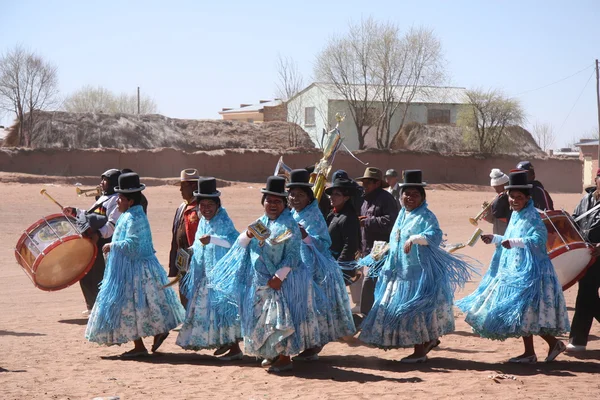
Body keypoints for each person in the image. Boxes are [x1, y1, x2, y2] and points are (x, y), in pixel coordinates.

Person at [358, 170, 474, 363]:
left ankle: (419, 352)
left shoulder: (426, 216)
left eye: (415, 194)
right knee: (398, 310)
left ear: (422, 197)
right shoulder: (402, 215)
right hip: (399, 272)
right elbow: (396, 239)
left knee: (413, 312)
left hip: (417, 275)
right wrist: (383, 251)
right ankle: (428, 341)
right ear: (401, 195)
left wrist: (416, 238)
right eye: (406, 194)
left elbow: (435, 236)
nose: (409, 197)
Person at [209, 176, 321, 373]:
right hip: (261, 283)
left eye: (277, 201)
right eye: (269, 200)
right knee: (266, 320)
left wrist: (279, 276)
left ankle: (285, 358)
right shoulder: (260, 222)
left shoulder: (290, 225)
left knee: (281, 321)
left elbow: (293, 256)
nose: (272, 204)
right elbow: (240, 244)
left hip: (285, 282)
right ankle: (273, 353)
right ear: (263, 203)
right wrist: (248, 235)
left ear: (284, 204)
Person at [457, 171, 569, 364]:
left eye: (519, 197)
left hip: (533, 272)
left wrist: (514, 242)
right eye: (512, 197)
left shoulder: (533, 216)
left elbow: (538, 240)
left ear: (527, 198)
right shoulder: (516, 216)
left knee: (526, 311)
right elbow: (510, 239)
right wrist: (495, 238)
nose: (515, 200)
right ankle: (535, 351)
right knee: (524, 313)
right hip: (517, 270)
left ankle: (543, 347)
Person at [85, 172, 185, 358]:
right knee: (144, 306)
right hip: (137, 269)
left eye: (121, 198)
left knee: (130, 307)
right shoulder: (130, 215)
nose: (117, 201)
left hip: (135, 272)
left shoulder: (133, 218)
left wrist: (111, 245)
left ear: (129, 201)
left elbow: (134, 243)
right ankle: (153, 335)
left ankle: (140, 345)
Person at [287, 169, 355, 361]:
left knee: (313, 307)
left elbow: (324, 242)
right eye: (292, 194)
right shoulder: (292, 214)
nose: (295, 198)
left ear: (309, 197)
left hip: (316, 271)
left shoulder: (314, 216)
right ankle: (306, 345)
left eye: (300, 194)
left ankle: (313, 346)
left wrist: (305, 236)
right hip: (297, 269)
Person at [176, 177, 242, 360]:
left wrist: (212, 240)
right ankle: (226, 344)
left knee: (223, 310)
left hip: (220, 277)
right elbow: (199, 244)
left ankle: (235, 347)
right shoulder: (203, 221)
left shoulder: (223, 220)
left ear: (217, 205)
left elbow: (232, 242)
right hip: (205, 275)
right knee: (210, 312)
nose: (205, 209)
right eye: (202, 205)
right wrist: (189, 252)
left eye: (209, 205)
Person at [63, 168, 122, 315]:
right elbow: (91, 216)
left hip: (103, 243)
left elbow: (113, 224)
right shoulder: (103, 197)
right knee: (85, 273)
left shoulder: (117, 199)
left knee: (99, 275)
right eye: (102, 179)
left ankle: (101, 308)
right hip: (92, 241)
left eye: (105, 180)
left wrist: (99, 234)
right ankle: (92, 305)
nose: (102, 183)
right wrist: (75, 211)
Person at [355, 167, 399, 318]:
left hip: (382, 250)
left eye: (367, 182)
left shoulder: (386, 199)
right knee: (373, 283)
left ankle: (366, 315)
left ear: (376, 183)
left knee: (371, 282)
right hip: (369, 250)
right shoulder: (365, 200)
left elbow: (391, 221)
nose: (364, 185)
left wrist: (367, 222)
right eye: (363, 182)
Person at [567, 168, 600, 352]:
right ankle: (577, 341)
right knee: (587, 295)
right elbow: (574, 220)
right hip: (587, 256)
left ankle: (577, 341)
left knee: (587, 296)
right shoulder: (586, 200)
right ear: (596, 179)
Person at [168, 169, 201, 308]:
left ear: (193, 186)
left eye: (183, 186)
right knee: (184, 290)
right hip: (182, 257)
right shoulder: (182, 207)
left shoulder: (202, 208)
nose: (180, 190)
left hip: (196, 258)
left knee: (195, 292)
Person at [326, 177, 362, 285]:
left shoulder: (348, 217)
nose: (332, 197)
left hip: (338, 268)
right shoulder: (332, 214)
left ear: (346, 198)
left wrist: (338, 266)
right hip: (330, 263)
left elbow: (350, 245)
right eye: (332, 194)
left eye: (337, 194)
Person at [482, 168, 511, 235]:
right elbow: (493, 220)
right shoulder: (498, 199)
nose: (496, 191)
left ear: (504, 185)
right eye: (495, 188)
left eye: (497, 188)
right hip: (498, 235)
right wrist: (487, 211)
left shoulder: (512, 199)